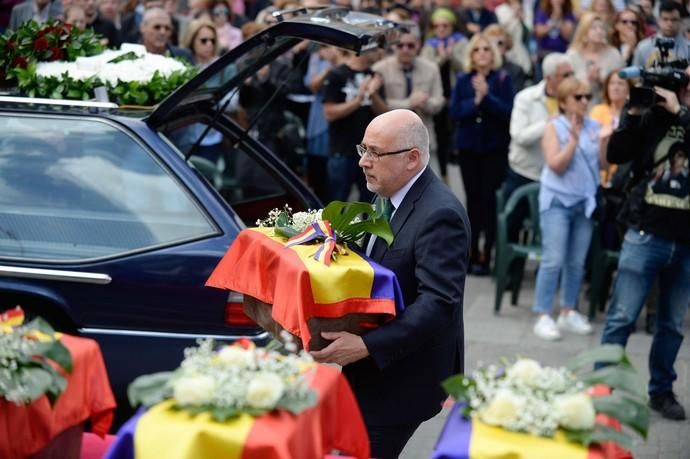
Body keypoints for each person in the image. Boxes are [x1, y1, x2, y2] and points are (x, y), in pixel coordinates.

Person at [311, 109, 470, 459]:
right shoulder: (388, 189)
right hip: (372, 367)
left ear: (412, 159)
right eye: (363, 150)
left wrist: (367, 345)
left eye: (375, 153)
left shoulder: (440, 214)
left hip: (402, 377)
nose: (364, 162)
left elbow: (439, 304)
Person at [600, 71, 690, 421]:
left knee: (671, 324)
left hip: (685, 240)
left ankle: (662, 391)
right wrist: (631, 115)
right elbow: (618, 154)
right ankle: (602, 387)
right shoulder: (650, 117)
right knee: (621, 317)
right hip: (645, 233)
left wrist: (681, 112)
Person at [532, 78, 603, 341]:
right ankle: (542, 314)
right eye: (578, 97)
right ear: (563, 102)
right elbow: (555, 165)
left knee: (576, 262)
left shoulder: (595, 126)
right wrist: (573, 141)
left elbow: (604, 165)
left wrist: (606, 141)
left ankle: (568, 310)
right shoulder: (554, 126)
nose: (585, 101)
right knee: (554, 260)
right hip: (558, 203)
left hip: (584, 203)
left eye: (587, 96)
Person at [450, 32, 513, 275]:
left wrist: (486, 98)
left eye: (486, 49)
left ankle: (489, 252)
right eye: (477, 50)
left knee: (489, 201)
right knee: (472, 202)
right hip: (469, 150)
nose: (482, 54)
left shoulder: (503, 79)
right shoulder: (464, 79)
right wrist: (475, 101)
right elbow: (455, 113)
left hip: (494, 150)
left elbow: (508, 113)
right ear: (471, 55)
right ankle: (471, 251)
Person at [504, 53, 574, 225]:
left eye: (572, 74)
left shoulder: (575, 99)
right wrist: (549, 123)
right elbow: (519, 136)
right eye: (566, 75)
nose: (571, 79)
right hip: (524, 174)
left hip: (557, 178)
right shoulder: (526, 98)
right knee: (512, 225)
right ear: (549, 78)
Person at [373, 25, 445, 179]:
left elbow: (438, 101)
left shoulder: (431, 68)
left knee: (425, 188)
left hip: (424, 138)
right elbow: (378, 104)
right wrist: (408, 103)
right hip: (389, 142)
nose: (405, 49)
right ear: (394, 46)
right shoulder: (380, 69)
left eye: (410, 45)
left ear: (418, 45)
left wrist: (424, 102)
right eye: (400, 45)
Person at [322, 49, 387, 202]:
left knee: (371, 206)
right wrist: (358, 100)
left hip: (370, 152)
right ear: (362, 49)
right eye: (374, 46)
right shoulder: (337, 75)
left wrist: (372, 93)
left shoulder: (375, 77)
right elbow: (329, 113)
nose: (380, 51)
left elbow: (384, 113)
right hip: (342, 150)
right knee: (338, 205)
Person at [633, 1, 690, 67]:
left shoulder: (688, 48)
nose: (669, 24)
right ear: (658, 20)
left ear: (681, 21)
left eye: (674, 19)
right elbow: (635, 76)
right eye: (665, 19)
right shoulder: (643, 47)